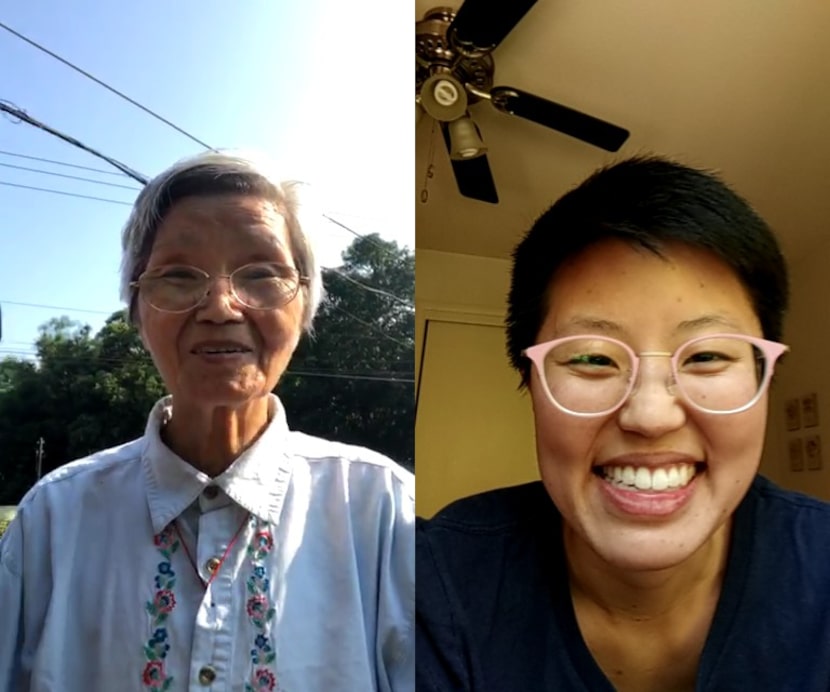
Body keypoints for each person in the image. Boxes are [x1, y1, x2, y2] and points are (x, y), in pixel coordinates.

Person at [0, 150, 414, 691]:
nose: (220, 306)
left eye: (262, 272)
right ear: (138, 309)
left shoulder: (384, 513)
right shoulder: (52, 521)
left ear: (304, 304)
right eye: (178, 274)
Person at [416, 156, 830, 691]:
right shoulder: (436, 583)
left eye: (706, 356)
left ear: (763, 379)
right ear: (531, 384)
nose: (651, 416)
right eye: (592, 358)